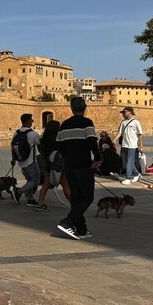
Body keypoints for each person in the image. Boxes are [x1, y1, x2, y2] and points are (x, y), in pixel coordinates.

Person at [55, 97, 101, 240]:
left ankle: (81, 229)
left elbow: (58, 146)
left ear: (71, 108)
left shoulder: (64, 125)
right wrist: (97, 159)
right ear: (85, 107)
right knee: (87, 197)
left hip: (69, 167)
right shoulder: (87, 123)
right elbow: (93, 142)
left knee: (76, 198)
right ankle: (67, 222)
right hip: (84, 166)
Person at [36, 120, 71, 210]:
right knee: (65, 184)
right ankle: (74, 204)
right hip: (58, 164)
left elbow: (40, 151)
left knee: (46, 184)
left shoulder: (42, 140)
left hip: (47, 164)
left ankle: (40, 204)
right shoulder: (59, 139)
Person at [11, 114, 40, 206]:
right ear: (28, 121)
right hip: (31, 161)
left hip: (21, 162)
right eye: (31, 119)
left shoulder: (17, 133)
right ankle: (18, 192)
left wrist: (13, 159)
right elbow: (41, 144)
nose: (33, 121)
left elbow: (13, 147)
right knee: (35, 181)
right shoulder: (33, 134)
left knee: (29, 180)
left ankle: (30, 199)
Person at [117, 106, 143, 184]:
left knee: (129, 162)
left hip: (132, 146)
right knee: (125, 162)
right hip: (124, 145)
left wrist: (141, 146)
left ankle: (128, 178)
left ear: (130, 112)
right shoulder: (123, 122)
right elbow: (120, 133)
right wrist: (114, 140)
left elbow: (139, 135)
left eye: (124, 112)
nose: (123, 114)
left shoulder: (136, 122)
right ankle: (137, 174)